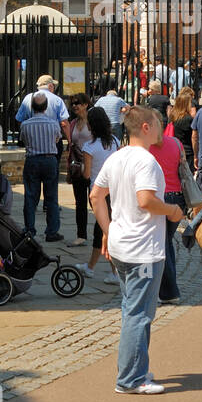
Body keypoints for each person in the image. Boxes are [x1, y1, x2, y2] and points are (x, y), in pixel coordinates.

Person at [90, 106, 184, 394]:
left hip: (123, 246)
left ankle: (134, 368)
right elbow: (145, 200)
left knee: (132, 309)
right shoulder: (146, 161)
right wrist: (172, 211)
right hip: (142, 249)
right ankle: (130, 379)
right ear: (145, 126)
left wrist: (108, 231)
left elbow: (96, 195)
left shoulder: (116, 158)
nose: (161, 127)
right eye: (157, 122)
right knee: (139, 314)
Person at [81, 106, 121, 285]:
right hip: (115, 189)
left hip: (98, 191)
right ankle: (91, 266)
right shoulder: (115, 141)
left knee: (104, 229)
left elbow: (87, 174)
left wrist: (79, 167)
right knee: (104, 228)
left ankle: (114, 271)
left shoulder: (89, 147)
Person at [149, 125, 187, 304]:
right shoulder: (177, 143)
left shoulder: (147, 147)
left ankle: (170, 291)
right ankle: (166, 289)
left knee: (161, 245)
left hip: (160, 197)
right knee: (167, 242)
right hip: (178, 198)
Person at [19, 91, 63, 241]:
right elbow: (57, 139)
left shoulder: (25, 125)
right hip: (50, 159)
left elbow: (23, 140)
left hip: (32, 160)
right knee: (51, 197)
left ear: (32, 106)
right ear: (45, 106)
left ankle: (30, 230)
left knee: (31, 196)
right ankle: (51, 231)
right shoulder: (53, 124)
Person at [66, 94, 92, 246]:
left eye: (78, 103)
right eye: (73, 104)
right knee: (80, 203)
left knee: (95, 201)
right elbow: (72, 147)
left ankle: (104, 232)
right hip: (78, 167)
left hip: (93, 166)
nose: (75, 106)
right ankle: (81, 235)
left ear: (86, 105)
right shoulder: (74, 123)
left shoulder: (92, 122)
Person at [15, 75, 71, 144]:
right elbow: (64, 123)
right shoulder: (57, 100)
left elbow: (19, 119)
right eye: (53, 85)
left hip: (33, 140)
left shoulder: (28, 98)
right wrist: (69, 141)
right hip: (52, 140)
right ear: (50, 86)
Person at [168, 87, 196, 170]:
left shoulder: (172, 117)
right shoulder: (188, 119)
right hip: (187, 151)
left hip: (174, 148)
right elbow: (193, 136)